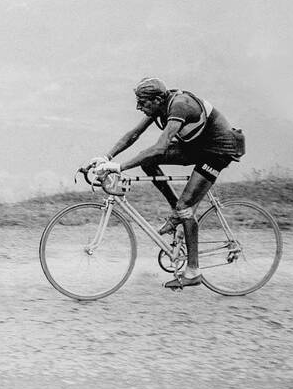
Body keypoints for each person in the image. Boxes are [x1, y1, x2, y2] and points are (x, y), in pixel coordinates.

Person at [84, 77, 245, 289]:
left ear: (158, 99)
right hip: (197, 146)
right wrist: (107, 157)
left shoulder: (180, 106)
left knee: (186, 208)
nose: (138, 106)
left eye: (143, 102)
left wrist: (120, 167)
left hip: (218, 151)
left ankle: (193, 271)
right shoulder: (160, 105)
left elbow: (160, 147)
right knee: (148, 162)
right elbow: (134, 134)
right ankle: (175, 211)